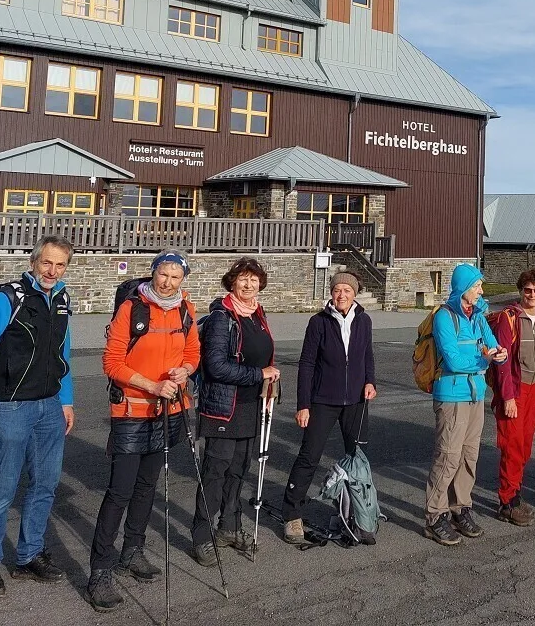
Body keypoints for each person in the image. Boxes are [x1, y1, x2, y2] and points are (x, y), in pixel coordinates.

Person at [86, 250, 201, 611]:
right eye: (163, 274)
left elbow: (193, 353)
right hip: (132, 410)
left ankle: (132, 550)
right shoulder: (131, 308)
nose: (168, 282)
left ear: (183, 279)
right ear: (153, 273)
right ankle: (100, 570)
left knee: (147, 486)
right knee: (120, 491)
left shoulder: (186, 309)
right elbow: (112, 362)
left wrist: (185, 370)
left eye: (175, 277)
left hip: (170, 409)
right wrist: (152, 385)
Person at [0, 236, 76, 599]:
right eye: (46, 263)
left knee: (45, 485)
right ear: (33, 262)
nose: (52, 271)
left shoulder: (62, 300)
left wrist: (66, 401)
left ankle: (28, 556)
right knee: (3, 488)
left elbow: (63, 353)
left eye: (60, 265)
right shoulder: (7, 299)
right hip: (9, 407)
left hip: (49, 406)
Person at [191, 257, 280, 565]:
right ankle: (201, 535)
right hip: (223, 407)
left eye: (254, 279)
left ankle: (229, 527)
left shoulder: (258, 314)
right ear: (232, 282)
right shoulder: (222, 317)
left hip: (250, 405)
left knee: (238, 470)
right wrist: (259, 374)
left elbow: (262, 356)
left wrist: (268, 377)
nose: (248, 284)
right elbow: (215, 366)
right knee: (215, 473)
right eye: (243, 278)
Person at [282, 271, 377, 545]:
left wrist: (370, 381)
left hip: (356, 401)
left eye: (347, 290)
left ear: (355, 294)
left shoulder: (364, 320)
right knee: (309, 456)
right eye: (337, 290)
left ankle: (353, 512)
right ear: (331, 293)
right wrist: (303, 405)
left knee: (357, 459)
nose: (341, 295)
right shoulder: (318, 322)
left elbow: (367, 354)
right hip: (323, 400)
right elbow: (307, 364)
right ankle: (292, 514)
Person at [424, 263, 507, 546]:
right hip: (452, 395)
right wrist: (485, 360)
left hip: (475, 395)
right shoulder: (445, 317)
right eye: (476, 286)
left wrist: (500, 354)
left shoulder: (479, 316)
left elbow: (493, 347)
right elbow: (452, 360)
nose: (481, 291)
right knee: (448, 456)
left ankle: (460, 508)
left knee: (469, 455)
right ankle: (435, 516)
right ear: (463, 288)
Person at [490, 269, 535, 526]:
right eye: (528, 290)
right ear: (520, 291)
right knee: (512, 446)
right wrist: (507, 397)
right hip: (515, 389)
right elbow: (502, 361)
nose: (532, 295)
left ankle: (515, 492)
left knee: (525, 447)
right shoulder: (509, 318)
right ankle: (507, 502)